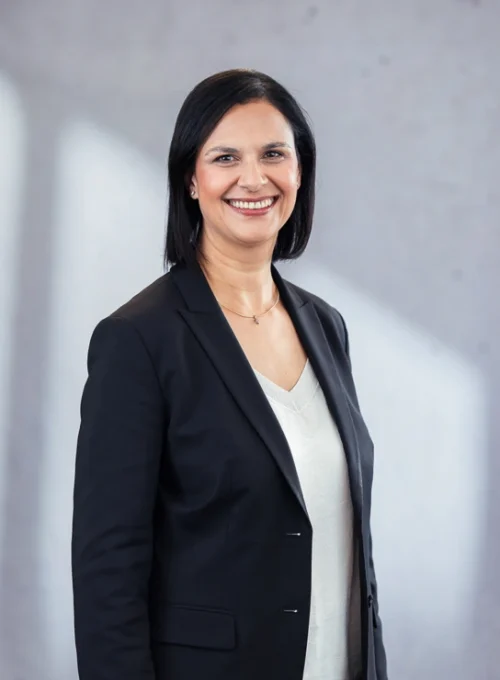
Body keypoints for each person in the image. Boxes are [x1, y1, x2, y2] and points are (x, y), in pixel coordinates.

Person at [71, 68, 388, 680]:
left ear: (300, 171)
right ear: (191, 179)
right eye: (225, 157)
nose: (254, 178)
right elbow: (108, 569)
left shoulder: (326, 327)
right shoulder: (140, 339)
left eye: (274, 154)